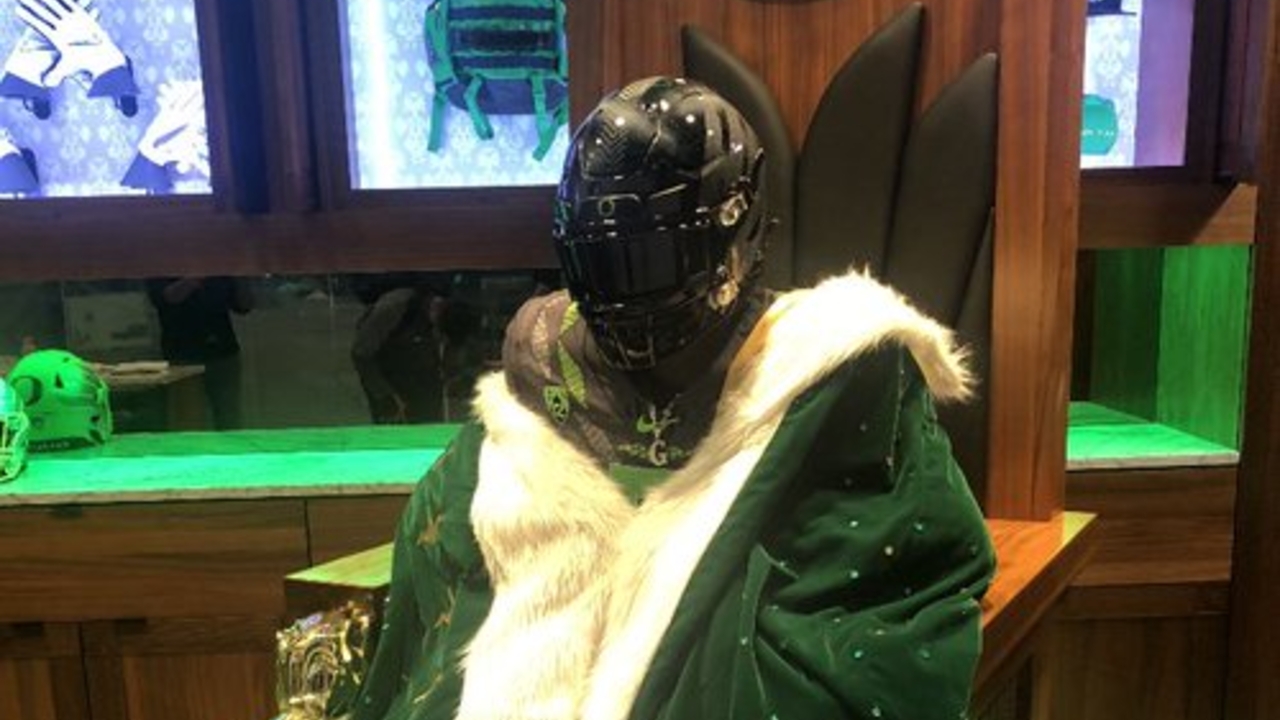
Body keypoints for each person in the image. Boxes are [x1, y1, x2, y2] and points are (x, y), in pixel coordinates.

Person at [346, 77, 995, 720]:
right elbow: (436, 586)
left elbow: (897, 591)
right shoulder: (535, 386)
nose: (624, 298)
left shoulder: (836, 381)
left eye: (650, 262)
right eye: (602, 265)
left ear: (733, 235)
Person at [146, 276, 252, 430]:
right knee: (188, 421)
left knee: (229, 418)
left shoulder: (221, 269)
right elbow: (166, 297)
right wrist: (197, 276)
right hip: (182, 353)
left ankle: (231, 445)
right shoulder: (163, 265)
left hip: (222, 350)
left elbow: (245, 305)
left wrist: (240, 276)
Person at [351, 279, 449, 424]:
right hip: (389, 379)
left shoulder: (441, 317)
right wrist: (384, 395)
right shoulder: (394, 307)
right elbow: (361, 354)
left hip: (422, 379)